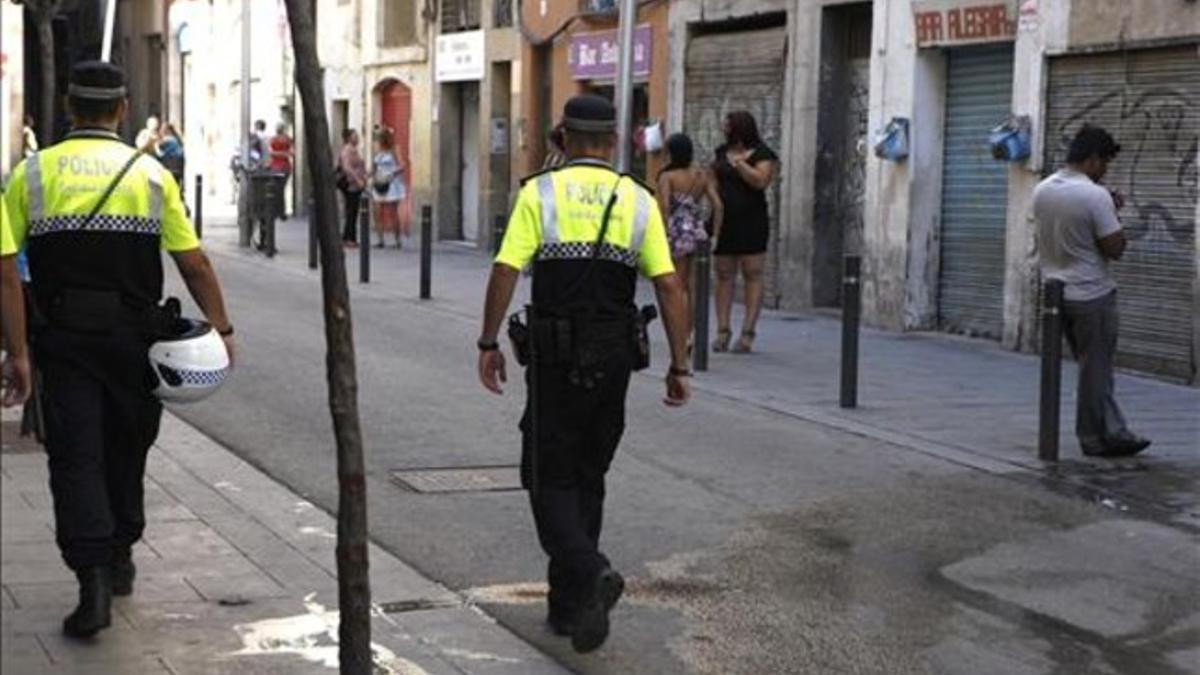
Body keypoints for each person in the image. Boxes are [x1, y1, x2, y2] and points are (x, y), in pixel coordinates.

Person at [0, 61, 235, 640]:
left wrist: (19, 350)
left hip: (63, 341)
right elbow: (194, 261)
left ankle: (93, 582)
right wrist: (223, 330)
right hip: (135, 343)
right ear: (123, 109)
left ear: (68, 109)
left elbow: (6, 273)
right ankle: (120, 549)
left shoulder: (31, 174)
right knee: (128, 446)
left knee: (76, 455)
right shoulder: (152, 175)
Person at [477, 94, 692, 654]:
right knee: (589, 474)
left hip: (556, 358)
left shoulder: (539, 193)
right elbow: (670, 285)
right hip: (616, 355)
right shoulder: (638, 198)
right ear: (615, 141)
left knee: (547, 474)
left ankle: (591, 571)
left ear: (564, 137)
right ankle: (570, 609)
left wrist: (488, 340)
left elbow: (506, 267)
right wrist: (680, 364)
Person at [1034, 125, 1151, 458]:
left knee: (1091, 369)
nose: (1105, 171)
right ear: (1094, 159)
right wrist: (1112, 211)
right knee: (1096, 370)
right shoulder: (1094, 195)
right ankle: (1094, 438)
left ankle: (1113, 430)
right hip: (1091, 294)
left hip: (1055, 292)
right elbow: (1115, 247)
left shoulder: (1043, 189)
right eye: (1105, 164)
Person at [710, 111, 778, 354]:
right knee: (724, 274)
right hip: (724, 221)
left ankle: (748, 332)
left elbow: (760, 181)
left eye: (728, 126)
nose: (724, 129)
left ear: (740, 128)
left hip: (752, 221)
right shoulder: (720, 152)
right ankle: (722, 331)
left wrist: (740, 164)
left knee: (753, 273)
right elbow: (713, 181)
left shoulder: (762, 153)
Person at [657, 132, 723, 348]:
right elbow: (718, 205)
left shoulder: (667, 177)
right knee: (695, 286)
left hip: (677, 232)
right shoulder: (700, 176)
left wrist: (664, 233)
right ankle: (692, 332)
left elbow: (665, 207)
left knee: (679, 285)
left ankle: (682, 333)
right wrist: (715, 233)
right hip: (697, 230)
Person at [371, 128, 407, 248]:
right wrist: (370, 177)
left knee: (392, 212)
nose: (377, 141)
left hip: (391, 183)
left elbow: (402, 165)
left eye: (379, 138)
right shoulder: (377, 151)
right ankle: (380, 239)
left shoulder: (394, 150)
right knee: (376, 211)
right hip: (379, 182)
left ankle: (397, 240)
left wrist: (392, 172)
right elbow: (374, 168)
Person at [337, 128, 368, 248]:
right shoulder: (347, 150)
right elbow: (347, 167)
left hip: (355, 185)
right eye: (355, 136)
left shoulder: (354, 150)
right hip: (351, 185)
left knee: (353, 211)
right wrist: (358, 179)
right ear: (349, 137)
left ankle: (349, 237)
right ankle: (349, 238)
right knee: (351, 211)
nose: (357, 138)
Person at [156, 122, 186, 187]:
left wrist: (155, 146)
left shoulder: (168, 141)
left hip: (169, 168)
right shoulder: (177, 140)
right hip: (178, 168)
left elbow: (160, 154)